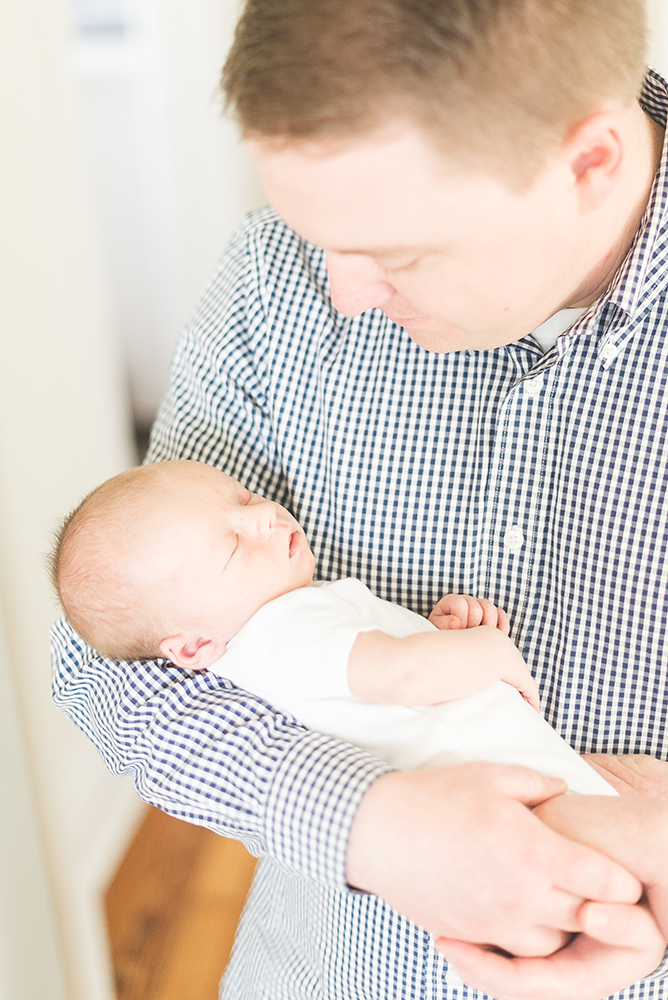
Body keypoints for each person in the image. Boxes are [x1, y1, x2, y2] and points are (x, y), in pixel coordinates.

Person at [50, 1, 668, 998]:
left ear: (587, 161)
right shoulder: (274, 283)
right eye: (309, 231)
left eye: (399, 251)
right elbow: (112, 656)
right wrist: (369, 822)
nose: (338, 292)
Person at [50, 457, 668, 976]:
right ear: (190, 648)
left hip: (518, 798)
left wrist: (436, 630)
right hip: (525, 809)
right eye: (234, 544)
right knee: (642, 841)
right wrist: (487, 653)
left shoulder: (274, 636)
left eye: (240, 497)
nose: (262, 514)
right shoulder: (283, 630)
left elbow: (383, 679)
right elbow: (402, 674)